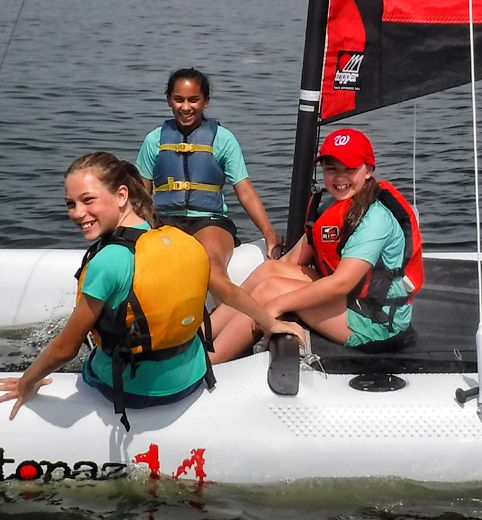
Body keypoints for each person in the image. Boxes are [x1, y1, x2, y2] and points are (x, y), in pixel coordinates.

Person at [0, 152, 302, 424]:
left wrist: (27, 382)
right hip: (192, 376)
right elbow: (228, 292)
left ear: (121, 195)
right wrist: (271, 323)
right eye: (70, 204)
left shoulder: (109, 261)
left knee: (90, 351)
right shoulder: (182, 241)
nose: (77, 213)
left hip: (137, 392)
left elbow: (66, 348)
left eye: (88, 200)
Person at [209, 128, 423, 363]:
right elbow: (289, 262)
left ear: (369, 170)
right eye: (331, 169)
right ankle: (201, 335)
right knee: (268, 272)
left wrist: (272, 308)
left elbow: (341, 283)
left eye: (350, 169)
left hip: (376, 322)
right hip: (349, 300)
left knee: (270, 292)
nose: (339, 178)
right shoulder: (328, 206)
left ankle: (209, 363)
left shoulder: (375, 219)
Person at [136, 68, 282, 285]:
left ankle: (233, 318)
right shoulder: (154, 140)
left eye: (194, 100)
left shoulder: (223, 139)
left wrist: (268, 232)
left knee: (211, 267)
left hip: (209, 221)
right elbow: (140, 195)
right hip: (164, 220)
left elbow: (245, 191)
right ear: (169, 100)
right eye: (179, 99)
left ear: (206, 101)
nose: (186, 107)